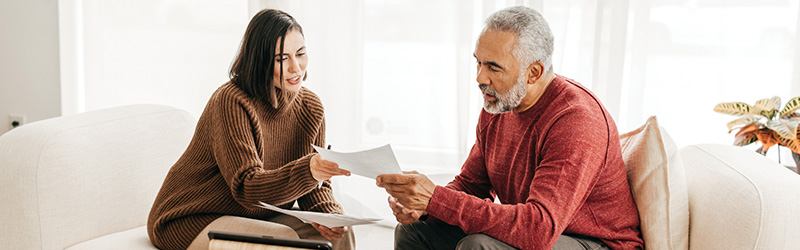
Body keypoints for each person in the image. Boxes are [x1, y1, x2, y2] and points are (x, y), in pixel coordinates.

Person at [376, 6, 644, 250]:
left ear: (534, 73)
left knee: (479, 246)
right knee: (414, 232)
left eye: (493, 67)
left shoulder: (576, 121)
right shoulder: (499, 104)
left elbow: (538, 229)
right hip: (545, 233)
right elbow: (471, 185)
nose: (480, 77)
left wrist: (436, 200)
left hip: (598, 243)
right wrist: (424, 208)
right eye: (478, 62)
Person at [147, 9, 354, 250]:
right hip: (190, 218)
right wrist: (310, 168)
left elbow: (313, 186)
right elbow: (247, 189)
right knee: (285, 239)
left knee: (338, 236)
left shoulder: (311, 107)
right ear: (260, 60)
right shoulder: (232, 101)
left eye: (300, 54)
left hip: (255, 216)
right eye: (281, 59)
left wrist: (328, 215)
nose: (295, 67)